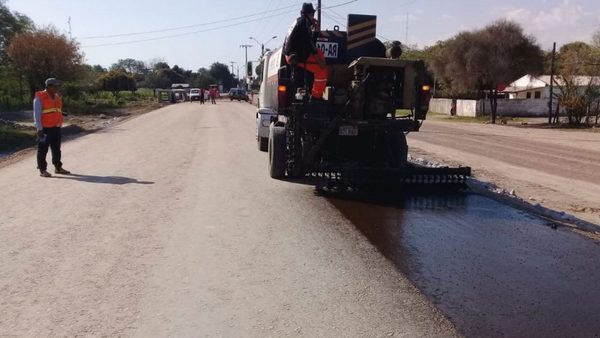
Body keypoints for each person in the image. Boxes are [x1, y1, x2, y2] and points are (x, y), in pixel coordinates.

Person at [283, 2, 328, 99]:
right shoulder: (304, 23)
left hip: (294, 54)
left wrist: (316, 30)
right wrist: (320, 62)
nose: (314, 17)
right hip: (295, 56)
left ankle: (314, 92)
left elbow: (311, 42)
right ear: (309, 14)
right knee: (322, 69)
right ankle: (316, 96)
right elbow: (309, 45)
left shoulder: (301, 22)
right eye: (313, 14)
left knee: (319, 52)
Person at [33, 78, 70, 177]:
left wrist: (62, 113)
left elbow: (54, 109)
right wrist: (39, 128)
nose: (57, 88)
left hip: (56, 127)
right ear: (48, 86)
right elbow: (36, 114)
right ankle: (42, 170)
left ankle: (58, 167)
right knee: (42, 150)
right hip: (44, 129)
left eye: (57, 86)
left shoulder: (56, 97)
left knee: (57, 149)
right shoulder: (40, 97)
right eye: (55, 86)